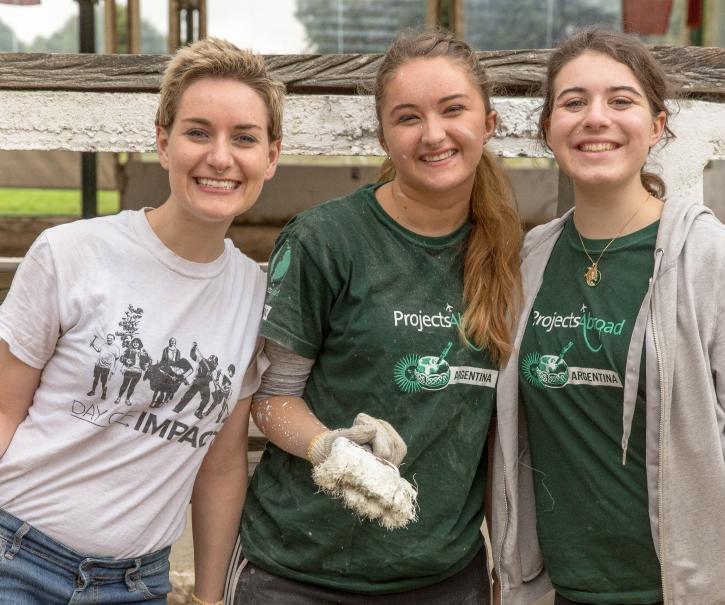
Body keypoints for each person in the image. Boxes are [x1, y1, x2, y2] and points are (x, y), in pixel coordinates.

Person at [0, 37, 283, 605]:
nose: (220, 156)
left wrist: (210, 599)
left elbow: (222, 465)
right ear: (163, 143)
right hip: (3, 561)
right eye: (197, 131)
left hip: (135, 584)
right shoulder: (70, 254)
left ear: (271, 157)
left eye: (244, 138)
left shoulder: (255, 296)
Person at [491, 28, 725, 605]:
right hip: (581, 590)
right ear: (548, 129)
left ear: (656, 127)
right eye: (573, 102)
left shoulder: (712, 257)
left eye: (621, 101)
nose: (595, 117)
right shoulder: (530, 260)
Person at [222, 29, 522, 605]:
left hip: (441, 575)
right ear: (383, 134)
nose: (433, 134)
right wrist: (329, 448)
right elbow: (272, 396)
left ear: (489, 121)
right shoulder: (325, 240)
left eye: (453, 110)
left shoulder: (512, 254)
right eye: (408, 117)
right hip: (297, 571)